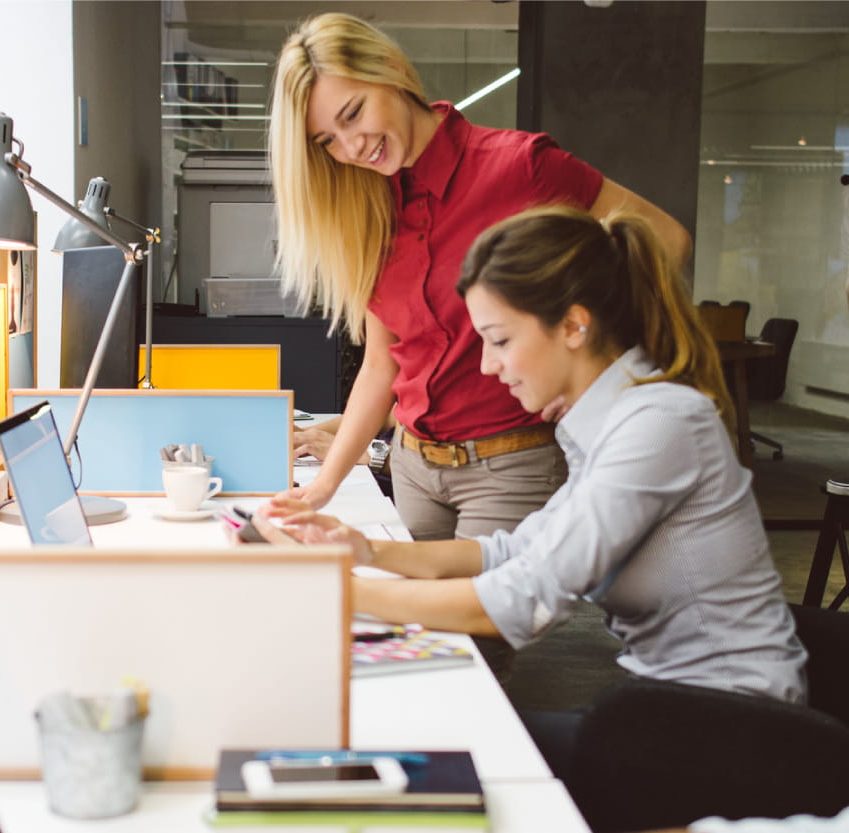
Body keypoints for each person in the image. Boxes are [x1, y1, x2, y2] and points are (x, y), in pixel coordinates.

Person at [252, 205, 807, 772]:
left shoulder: (657, 425)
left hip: (732, 736)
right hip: (670, 708)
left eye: (499, 340)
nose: (489, 367)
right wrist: (369, 552)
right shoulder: (604, 417)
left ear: (573, 326)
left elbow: (525, 601)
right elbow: (513, 551)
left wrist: (341, 590)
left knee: (432, 753)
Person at [269, 13, 692, 542]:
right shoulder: (370, 212)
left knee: (479, 619)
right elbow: (381, 365)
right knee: (415, 620)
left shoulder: (518, 168)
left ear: (393, 70)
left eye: (353, 114)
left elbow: (666, 240)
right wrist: (323, 487)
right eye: (327, 140)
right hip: (413, 470)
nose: (352, 148)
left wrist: (579, 343)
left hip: (510, 468)